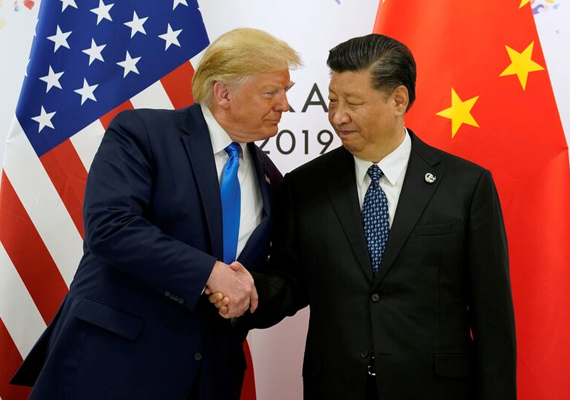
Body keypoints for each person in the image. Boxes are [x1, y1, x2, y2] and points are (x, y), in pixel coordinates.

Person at [214, 33, 516, 400]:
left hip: (437, 388)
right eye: (333, 101)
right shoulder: (305, 185)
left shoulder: (466, 185)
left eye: (353, 103)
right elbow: (291, 281)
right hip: (337, 386)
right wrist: (245, 293)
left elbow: (492, 315)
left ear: (398, 100)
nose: (338, 116)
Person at [10, 28, 301, 400]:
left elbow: (272, 276)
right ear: (223, 93)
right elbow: (110, 226)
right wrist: (210, 274)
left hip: (207, 379)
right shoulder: (142, 133)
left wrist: (248, 291)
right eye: (270, 92)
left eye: (286, 92)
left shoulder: (270, 177)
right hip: (113, 367)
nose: (284, 105)